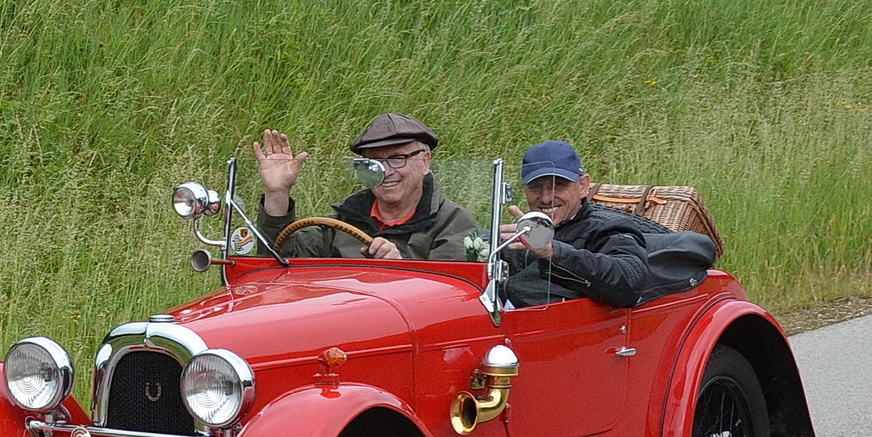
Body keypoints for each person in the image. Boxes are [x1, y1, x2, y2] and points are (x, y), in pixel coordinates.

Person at [253, 113, 479, 260]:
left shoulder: (453, 223)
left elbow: (449, 297)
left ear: (425, 162)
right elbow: (277, 263)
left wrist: (399, 267)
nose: (387, 172)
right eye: (374, 163)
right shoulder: (341, 223)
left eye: (398, 158)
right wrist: (277, 193)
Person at [502, 139, 654, 307]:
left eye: (557, 185)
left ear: (583, 186)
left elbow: (630, 282)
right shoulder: (523, 230)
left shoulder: (607, 228)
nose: (546, 198)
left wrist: (552, 252)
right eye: (535, 187)